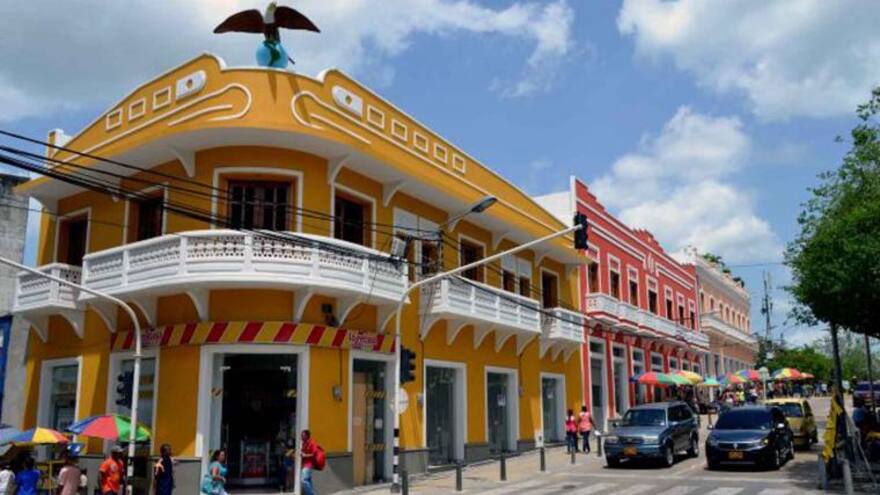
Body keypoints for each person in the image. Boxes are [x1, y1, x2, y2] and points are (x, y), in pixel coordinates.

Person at [300, 430, 317, 495]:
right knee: (308, 480)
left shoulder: (312, 443)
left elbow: (314, 454)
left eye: (303, 435)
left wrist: (305, 455)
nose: (301, 437)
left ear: (307, 436)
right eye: (301, 435)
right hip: (304, 464)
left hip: (309, 465)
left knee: (304, 480)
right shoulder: (304, 443)